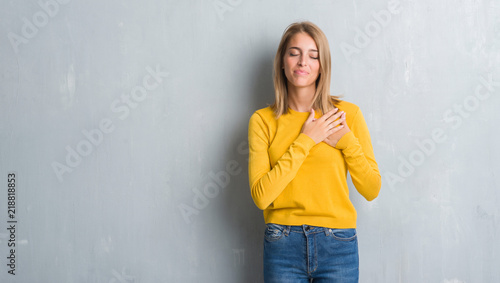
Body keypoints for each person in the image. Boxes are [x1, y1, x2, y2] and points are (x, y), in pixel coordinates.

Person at [247, 21, 382, 282]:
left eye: (313, 55)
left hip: (338, 243)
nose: (302, 62)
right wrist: (306, 140)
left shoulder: (346, 116)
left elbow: (371, 188)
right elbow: (262, 197)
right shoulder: (262, 121)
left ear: (322, 65)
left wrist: (347, 142)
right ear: (282, 62)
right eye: (294, 52)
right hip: (282, 243)